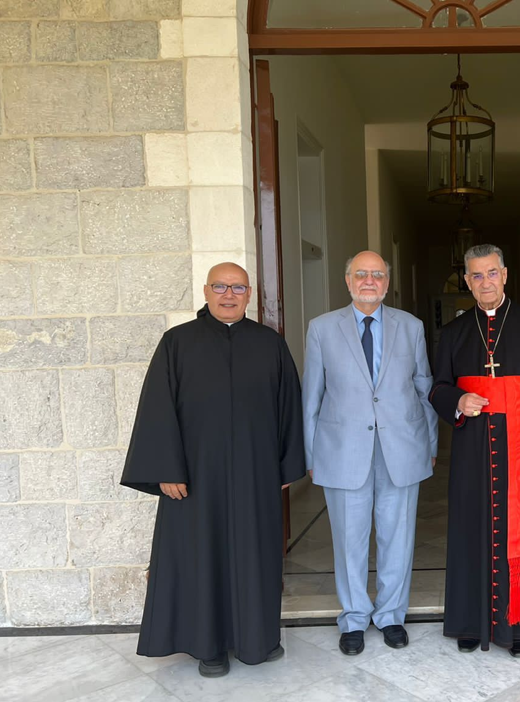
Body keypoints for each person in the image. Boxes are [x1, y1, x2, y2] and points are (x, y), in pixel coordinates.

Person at [121, 262, 305, 678]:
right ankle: (209, 648)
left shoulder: (270, 344)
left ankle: (257, 640)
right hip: (195, 478)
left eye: (238, 287)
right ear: (206, 291)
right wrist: (166, 469)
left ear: (249, 294)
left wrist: (287, 466)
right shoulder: (177, 342)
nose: (228, 295)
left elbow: (289, 407)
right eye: (220, 286)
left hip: (256, 474)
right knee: (201, 559)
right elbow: (157, 409)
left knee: (256, 558)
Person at [429, 244, 520, 657]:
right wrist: (457, 400)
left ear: (504, 275)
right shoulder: (454, 332)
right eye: (476, 275)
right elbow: (436, 387)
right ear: (467, 282)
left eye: (491, 273)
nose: (484, 282)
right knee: (470, 530)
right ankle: (470, 621)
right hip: (472, 448)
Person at [303, 251, 438, 656]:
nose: (369, 281)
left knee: (399, 537)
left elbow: (424, 387)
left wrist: (430, 445)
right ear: (347, 281)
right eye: (361, 274)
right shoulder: (321, 328)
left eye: (377, 275)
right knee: (349, 540)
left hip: (402, 448)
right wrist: (311, 455)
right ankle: (354, 618)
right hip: (342, 450)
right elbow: (311, 396)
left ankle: (392, 615)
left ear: (387, 282)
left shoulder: (410, 326)